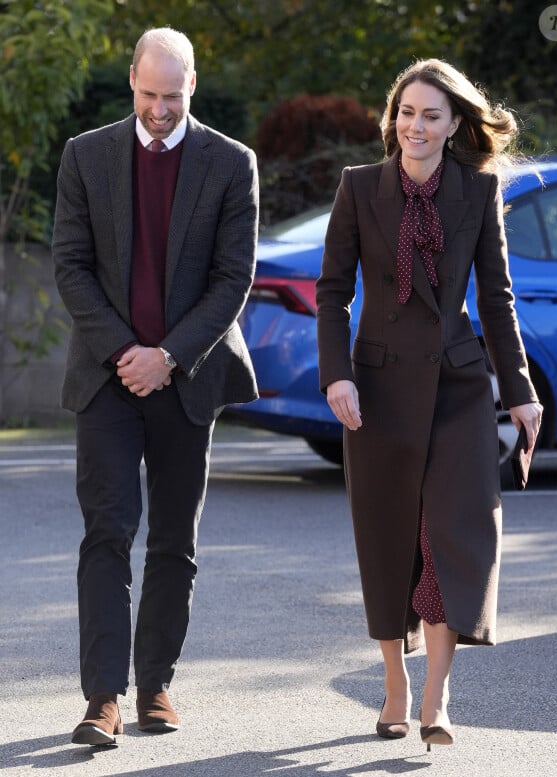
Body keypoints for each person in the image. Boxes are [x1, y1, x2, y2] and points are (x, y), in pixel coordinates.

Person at [316, 58, 542, 752]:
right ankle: (395, 685)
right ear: (393, 120)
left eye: (431, 116)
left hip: (458, 386)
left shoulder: (477, 193)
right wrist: (337, 376)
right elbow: (333, 291)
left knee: (448, 540)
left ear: (453, 127)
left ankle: (438, 699)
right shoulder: (359, 189)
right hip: (377, 391)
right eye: (406, 113)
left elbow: (497, 299)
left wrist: (522, 391)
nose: (415, 126)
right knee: (388, 542)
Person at [52, 27, 259, 746]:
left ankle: (155, 685)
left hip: (187, 377)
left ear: (192, 85)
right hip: (107, 380)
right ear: (132, 83)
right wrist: (127, 353)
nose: (160, 109)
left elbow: (233, 278)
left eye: (172, 96)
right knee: (106, 533)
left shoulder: (233, 163)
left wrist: (167, 355)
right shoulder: (86, 156)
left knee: (175, 539)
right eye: (148, 95)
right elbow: (70, 265)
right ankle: (102, 697)